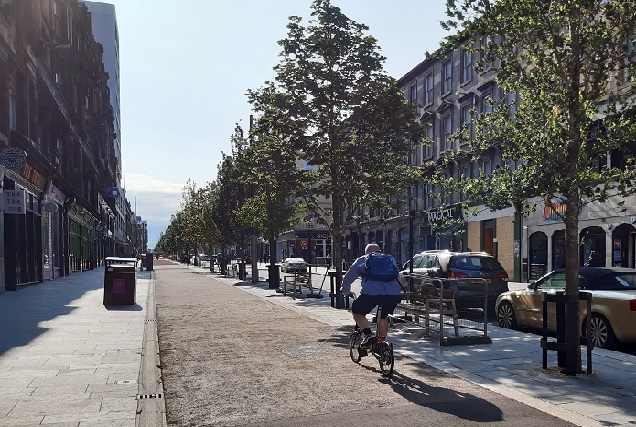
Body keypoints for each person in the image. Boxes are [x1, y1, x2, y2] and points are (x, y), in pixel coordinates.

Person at [340, 243, 403, 348]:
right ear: (379, 250)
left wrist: (345, 290)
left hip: (371, 293)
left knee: (357, 311)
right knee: (383, 316)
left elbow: (348, 277)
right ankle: (382, 344)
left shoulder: (362, 260)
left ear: (366, 252)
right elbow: (396, 274)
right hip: (392, 293)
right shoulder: (390, 259)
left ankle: (368, 334)